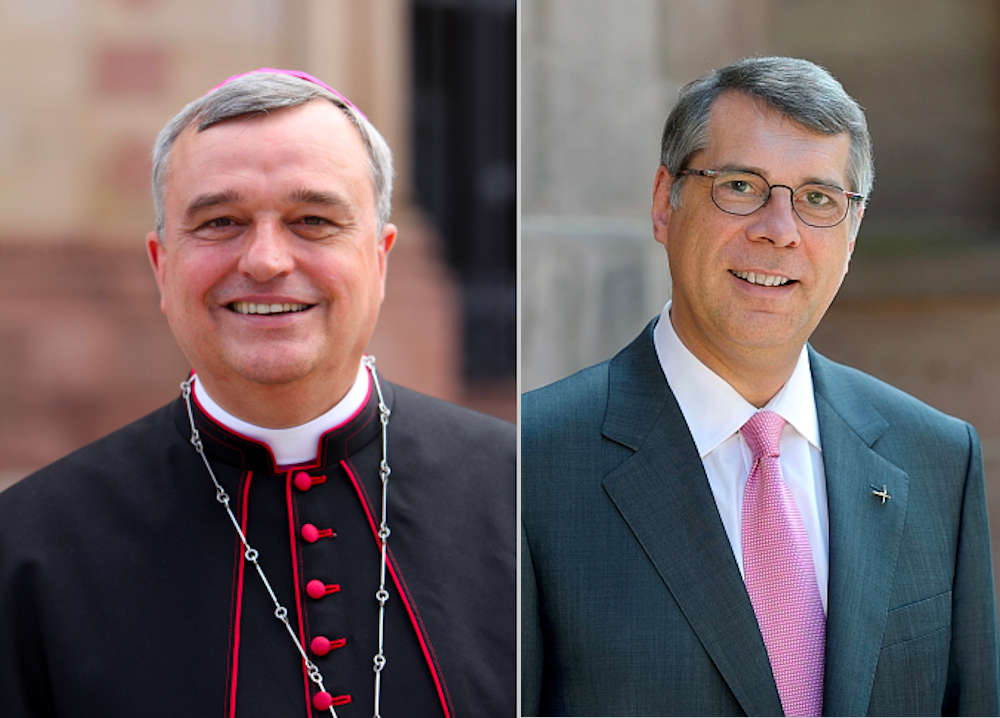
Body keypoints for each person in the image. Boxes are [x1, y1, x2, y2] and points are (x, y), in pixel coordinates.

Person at [0, 68, 514, 718]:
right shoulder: (30, 551)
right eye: (220, 222)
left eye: (313, 220)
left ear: (381, 260)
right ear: (163, 267)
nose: (266, 261)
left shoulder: (528, 501)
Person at [521, 56, 999, 717]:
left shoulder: (939, 458)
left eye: (818, 200)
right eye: (743, 186)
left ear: (853, 232)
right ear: (666, 202)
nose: (780, 231)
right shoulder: (532, 462)